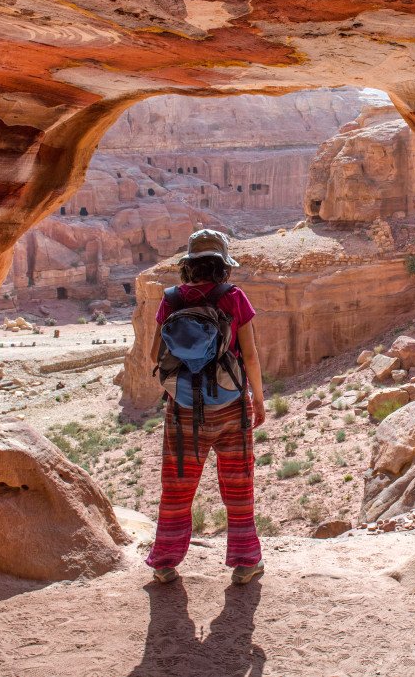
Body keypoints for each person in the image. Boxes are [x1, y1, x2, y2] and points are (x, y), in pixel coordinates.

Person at [145, 229, 267, 586]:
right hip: (231, 406)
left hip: (183, 408)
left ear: (189, 265)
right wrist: (257, 399)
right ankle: (245, 562)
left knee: (177, 486)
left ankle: (165, 562)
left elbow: (155, 354)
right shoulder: (234, 297)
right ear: (222, 265)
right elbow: (252, 357)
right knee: (238, 483)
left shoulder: (171, 298)